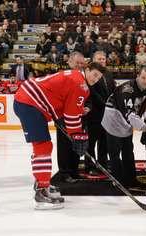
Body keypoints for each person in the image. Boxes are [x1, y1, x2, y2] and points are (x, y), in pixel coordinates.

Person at [14, 62, 106, 210]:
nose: (96, 79)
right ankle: (41, 192)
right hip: (29, 103)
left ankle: (42, 183)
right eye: (94, 75)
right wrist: (77, 134)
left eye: (99, 78)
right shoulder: (80, 84)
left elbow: (69, 107)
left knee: (44, 146)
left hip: (29, 100)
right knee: (42, 146)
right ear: (87, 69)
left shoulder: (77, 77)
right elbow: (71, 114)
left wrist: (75, 132)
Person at [101, 67, 146, 188]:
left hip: (126, 121)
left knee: (128, 152)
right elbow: (130, 114)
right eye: (143, 78)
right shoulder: (127, 90)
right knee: (115, 153)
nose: (145, 81)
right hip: (113, 119)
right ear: (137, 76)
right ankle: (118, 181)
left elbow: (143, 108)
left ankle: (131, 179)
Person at [56, 52, 87, 183]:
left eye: (81, 63)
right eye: (77, 63)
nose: (79, 65)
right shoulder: (62, 76)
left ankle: (74, 170)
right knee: (64, 146)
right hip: (64, 118)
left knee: (77, 145)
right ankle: (64, 172)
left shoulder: (83, 77)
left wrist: (88, 107)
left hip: (79, 118)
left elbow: (87, 97)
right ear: (69, 62)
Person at [84, 51, 116, 174]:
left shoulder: (108, 73)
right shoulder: (91, 74)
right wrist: (105, 103)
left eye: (103, 58)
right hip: (94, 113)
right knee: (91, 142)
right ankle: (90, 166)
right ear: (93, 60)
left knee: (104, 141)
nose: (102, 61)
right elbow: (92, 93)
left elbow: (112, 89)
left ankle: (102, 164)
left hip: (107, 114)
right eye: (99, 59)